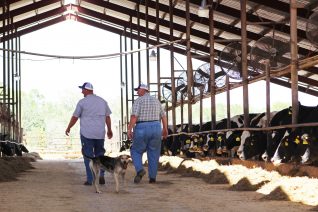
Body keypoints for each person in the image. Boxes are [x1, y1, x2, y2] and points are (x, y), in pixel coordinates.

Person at [65, 82, 113, 185]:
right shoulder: (102, 101)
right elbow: (107, 117)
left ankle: (91, 179)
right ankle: (101, 174)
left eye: (82, 89)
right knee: (100, 155)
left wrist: (69, 127)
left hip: (87, 133)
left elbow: (75, 117)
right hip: (100, 133)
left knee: (88, 156)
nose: (82, 91)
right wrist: (109, 130)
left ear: (87, 90)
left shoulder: (82, 102)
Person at [128, 83, 168, 184]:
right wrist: (165, 129)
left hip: (142, 127)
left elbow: (134, 116)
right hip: (156, 127)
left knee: (135, 151)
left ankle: (140, 170)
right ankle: (152, 178)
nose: (137, 92)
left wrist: (129, 129)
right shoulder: (156, 101)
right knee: (154, 153)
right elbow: (163, 116)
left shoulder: (139, 101)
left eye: (138, 90)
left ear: (144, 90)